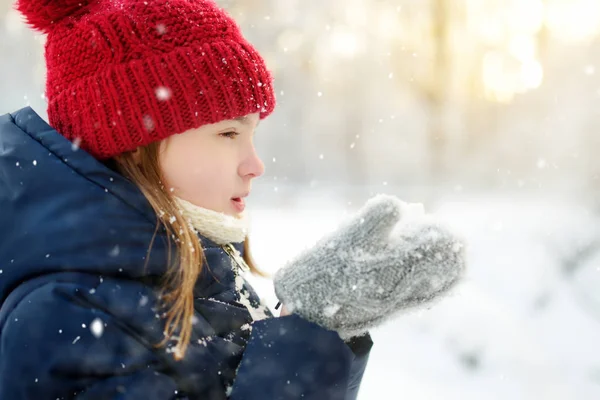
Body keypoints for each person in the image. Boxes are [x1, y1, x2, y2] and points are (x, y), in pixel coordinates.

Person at [0, 0, 466, 399]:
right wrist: (310, 333)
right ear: (131, 140)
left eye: (252, 134)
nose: (254, 165)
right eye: (227, 133)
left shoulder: (178, 269)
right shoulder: (68, 312)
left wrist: (320, 321)